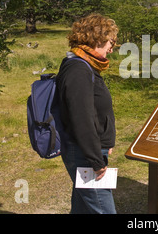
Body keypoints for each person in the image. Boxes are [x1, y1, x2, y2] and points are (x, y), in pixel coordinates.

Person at [56, 13, 119, 214]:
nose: (112, 47)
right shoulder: (79, 69)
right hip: (84, 152)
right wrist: (95, 159)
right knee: (103, 209)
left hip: (88, 149)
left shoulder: (84, 64)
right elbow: (81, 118)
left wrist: (104, 143)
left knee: (83, 208)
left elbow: (93, 111)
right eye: (111, 41)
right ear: (97, 39)